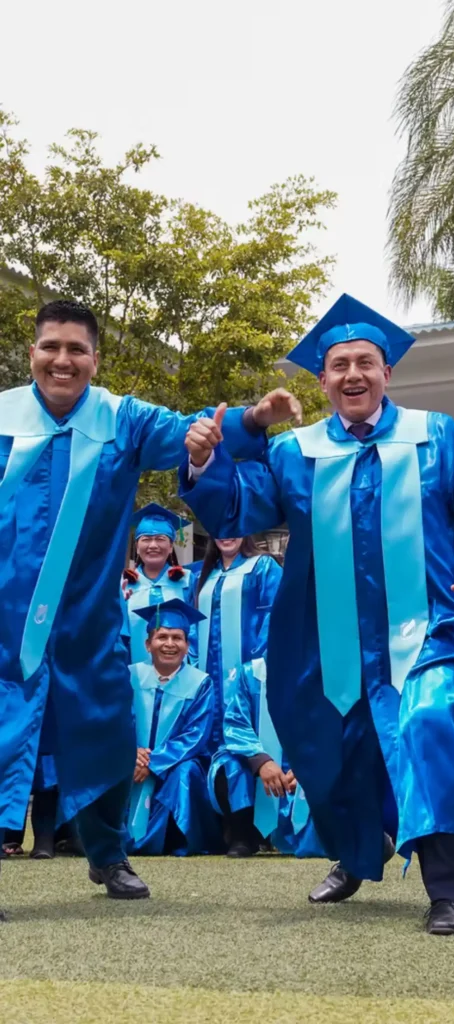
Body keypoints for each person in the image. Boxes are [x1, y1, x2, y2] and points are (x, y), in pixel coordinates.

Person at [179, 293, 454, 935]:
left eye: (365, 362)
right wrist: (203, 461)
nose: (352, 374)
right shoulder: (293, 452)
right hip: (326, 640)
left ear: (388, 373)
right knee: (326, 752)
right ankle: (358, 854)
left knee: (425, 723)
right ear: (323, 379)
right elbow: (238, 512)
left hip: (428, 632)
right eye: (338, 365)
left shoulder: (434, 436)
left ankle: (448, 888)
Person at [0, 298, 300, 914]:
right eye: (51, 347)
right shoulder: (2, 418)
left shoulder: (122, 419)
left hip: (87, 618)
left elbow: (188, 428)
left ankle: (107, 855)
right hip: (6, 616)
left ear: (94, 359)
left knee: (109, 737)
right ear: (33, 352)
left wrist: (250, 418)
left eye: (76, 350)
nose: (63, 360)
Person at [194, 536, 282, 853]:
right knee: (217, 754)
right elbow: (193, 630)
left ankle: (259, 830)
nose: (227, 533)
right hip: (209, 686)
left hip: (253, 681)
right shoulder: (203, 575)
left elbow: (274, 617)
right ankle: (227, 827)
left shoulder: (263, 567)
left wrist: (253, 673)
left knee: (255, 747)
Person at [126, 599, 218, 856]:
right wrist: (131, 754)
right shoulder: (130, 676)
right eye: (162, 637)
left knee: (186, 772)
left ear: (187, 646)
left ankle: (178, 839)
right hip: (131, 761)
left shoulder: (200, 683)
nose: (169, 644)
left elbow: (197, 735)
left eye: (177, 638)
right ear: (148, 644)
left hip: (174, 764)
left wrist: (153, 761)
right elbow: (116, 723)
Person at [213, 658, 325, 858]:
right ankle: (243, 836)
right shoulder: (250, 673)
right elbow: (236, 722)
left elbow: (329, 727)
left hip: (302, 767)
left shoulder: (320, 672)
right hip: (257, 764)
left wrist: (307, 766)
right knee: (228, 764)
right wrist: (261, 760)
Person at [121, 504, 194, 665]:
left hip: (180, 675)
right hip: (134, 675)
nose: (153, 545)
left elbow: (196, 630)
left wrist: (192, 667)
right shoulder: (124, 584)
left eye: (160, 539)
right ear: (137, 547)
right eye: (146, 539)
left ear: (170, 547)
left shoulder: (187, 580)